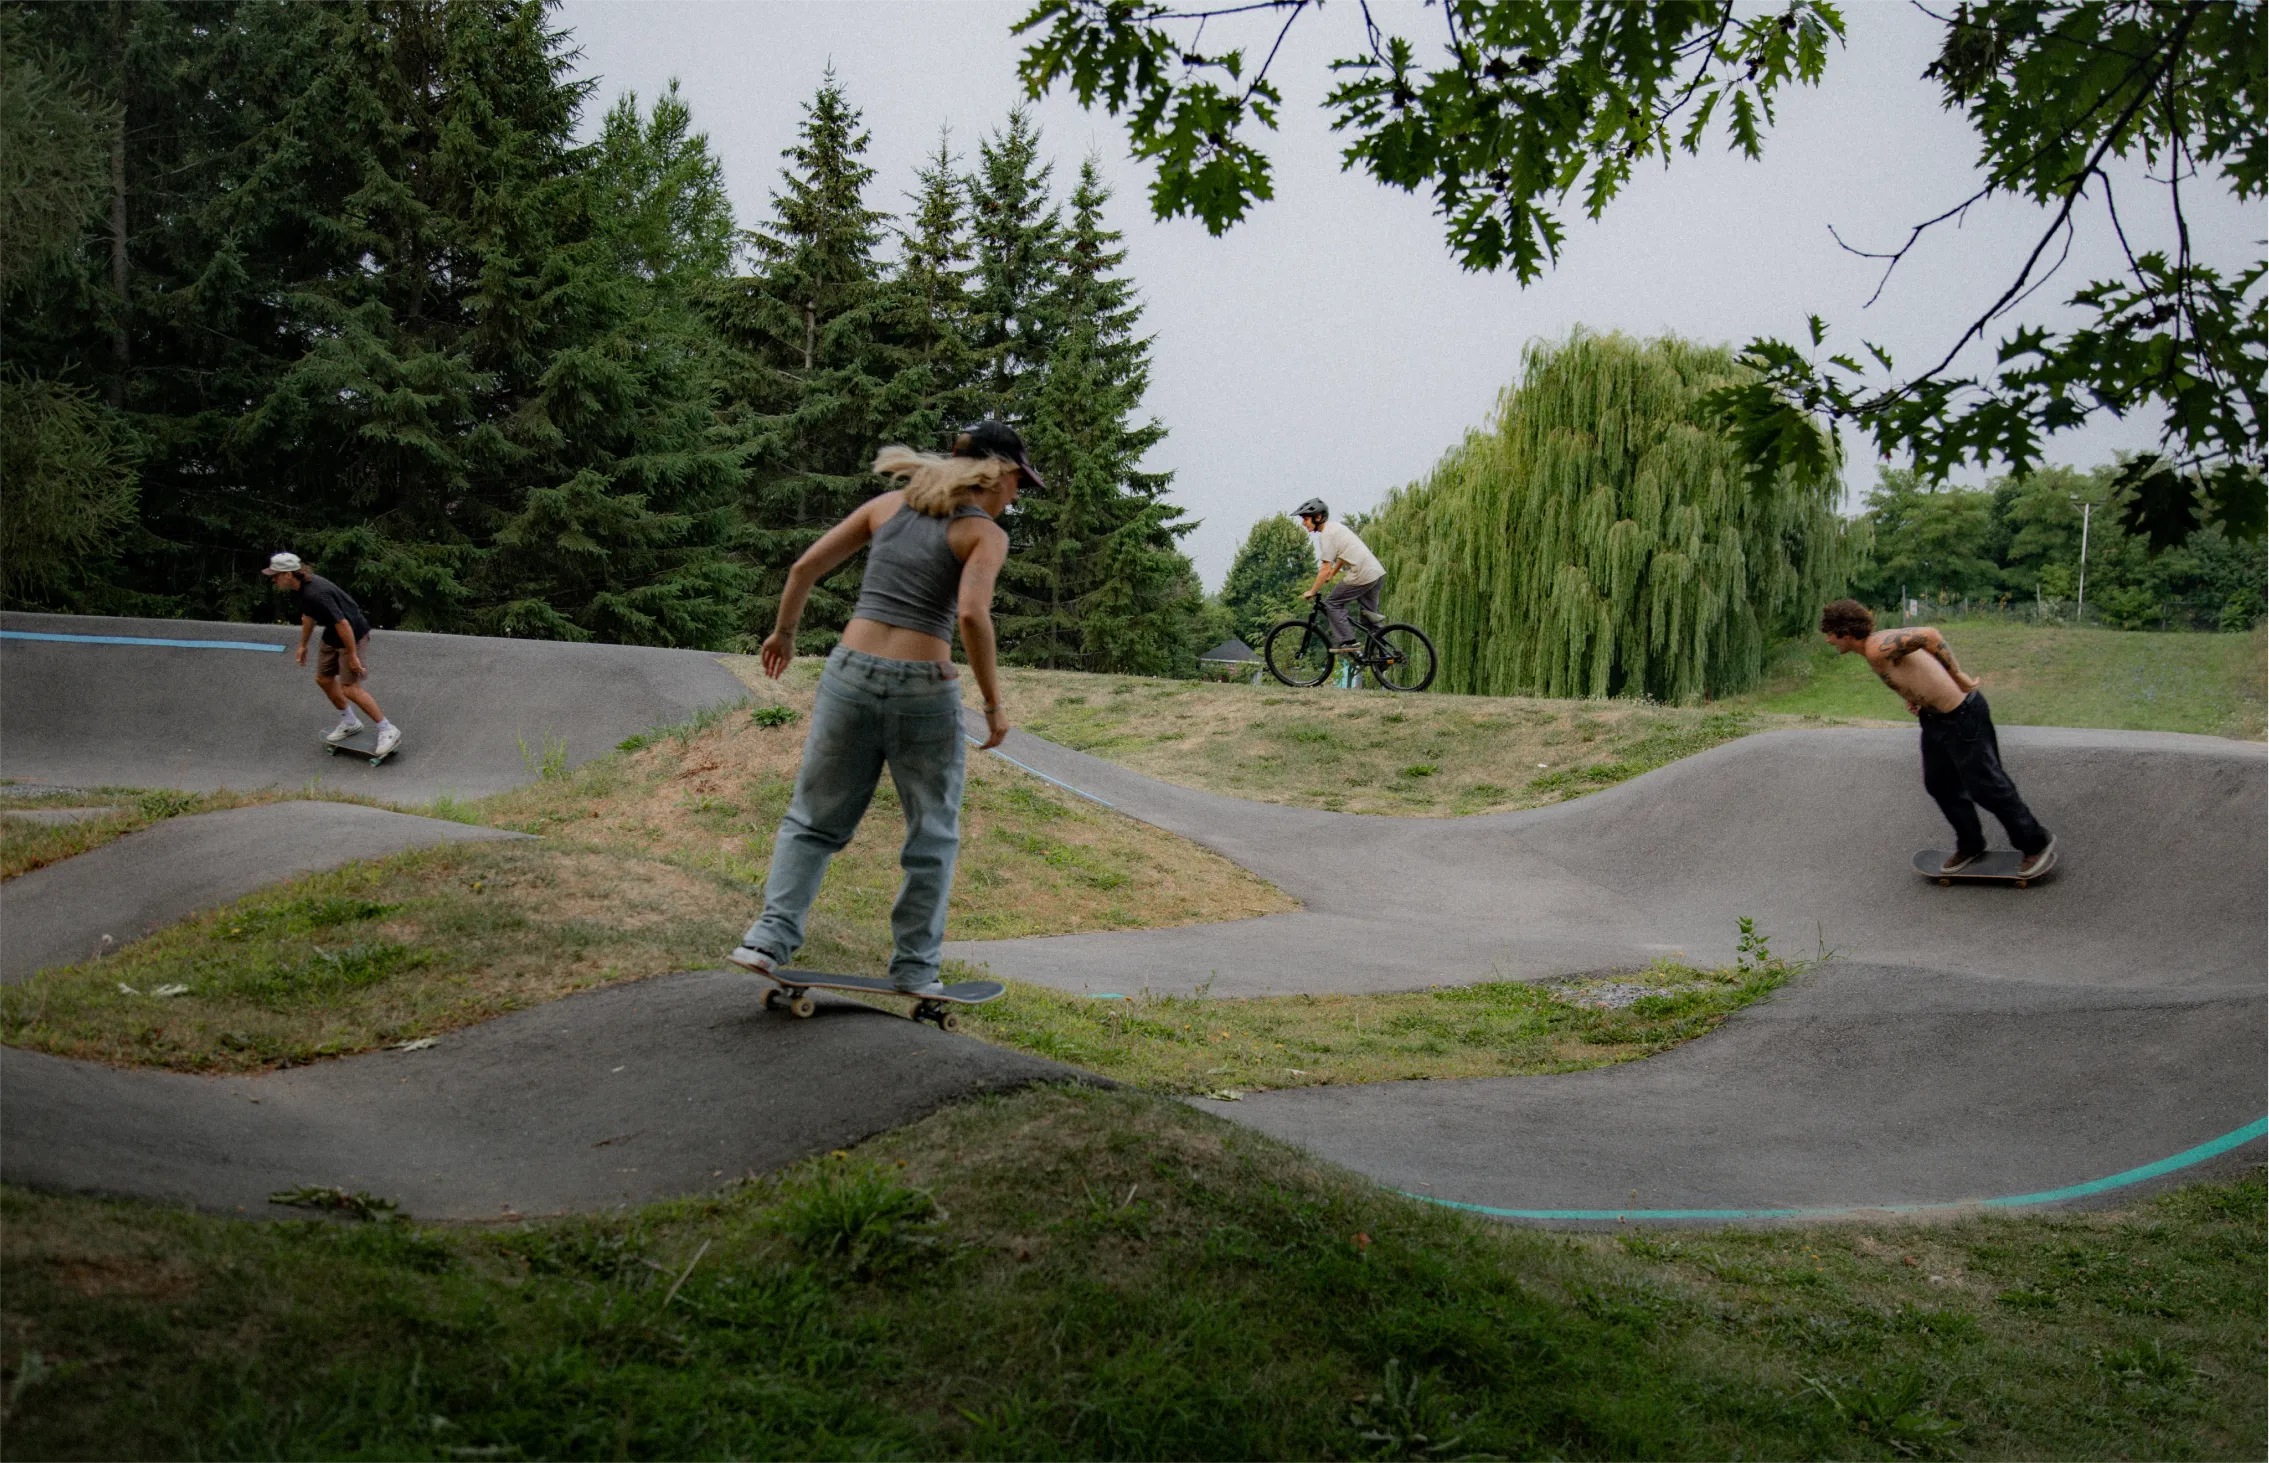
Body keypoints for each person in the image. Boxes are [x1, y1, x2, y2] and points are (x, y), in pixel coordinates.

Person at [727, 421, 1036, 997]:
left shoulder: (887, 507)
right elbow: (971, 615)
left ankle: (767, 938)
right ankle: (916, 968)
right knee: (932, 834)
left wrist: (784, 634)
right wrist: (993, 705)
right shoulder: (984, 534)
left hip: (849, 675)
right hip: (923, 688)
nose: (1017, 497)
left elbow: (803, 569)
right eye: (1020, 484)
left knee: (813, 819)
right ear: (1002, 474)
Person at [1819, 598, 2054, 876]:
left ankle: (2035, 843)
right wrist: (1912, 696)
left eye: (1830, 635)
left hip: (1963, 716)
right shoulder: (1874, 651)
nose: (1828, 641)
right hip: (1934, 719)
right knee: (1939, 784)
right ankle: (1971, 843)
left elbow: (1930, 635)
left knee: (1987, 786)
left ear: (1844, 633)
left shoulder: (1875, 647)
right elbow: (1910, 671)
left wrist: (1958, 675)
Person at [263, 552, 401, 757]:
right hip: (333, 633)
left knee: (350, 688)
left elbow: (343, 623)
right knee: (323, 679)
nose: (273, 579)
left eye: (275, 575)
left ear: (289, 574)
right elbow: (308, 616)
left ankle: (387, 729)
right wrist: (303, 645)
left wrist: (352, 655)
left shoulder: (316, 593)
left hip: (352, 634)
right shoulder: (299, 590)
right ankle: (350, 721)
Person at [1294, 497, 1387, 653]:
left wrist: (1313, 590)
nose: (1303, 523)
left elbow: (1324, 567)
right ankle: (1384, 656)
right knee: (1370, 618)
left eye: (1306, 519)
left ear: (1318, 517)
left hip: (1362, 574)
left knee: (1333, 603)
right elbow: (1343, 555)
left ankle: (1348, 641)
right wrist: (1333, 573)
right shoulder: (1336, 528)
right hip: (1376, 573)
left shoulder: (1326, 535)